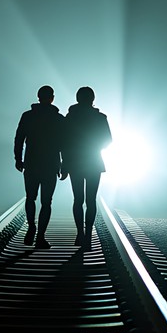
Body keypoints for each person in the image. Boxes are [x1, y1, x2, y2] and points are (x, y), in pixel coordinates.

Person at [14, 85, 67, 249]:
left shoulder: (27, 116)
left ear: (38, 97)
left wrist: (18, 159)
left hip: (31, 162)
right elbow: (65, 145)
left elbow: (19, 139)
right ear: (52, 98)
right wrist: (64, 165)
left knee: (30, 198)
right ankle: (41, 237)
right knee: (46, 202)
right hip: (51, 164)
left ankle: (31, 227)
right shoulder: (59, 119)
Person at [62, 86, 112, 250]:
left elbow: (64, 143)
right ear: (92, 99)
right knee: (91, 200)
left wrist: (64, 163)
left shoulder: (69, 118)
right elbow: (108, 140)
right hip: (93, 161)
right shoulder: (100, 118)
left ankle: (80, 233)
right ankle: (89, 234)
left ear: (77, 99)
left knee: (78, 199)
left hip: (75, 162)